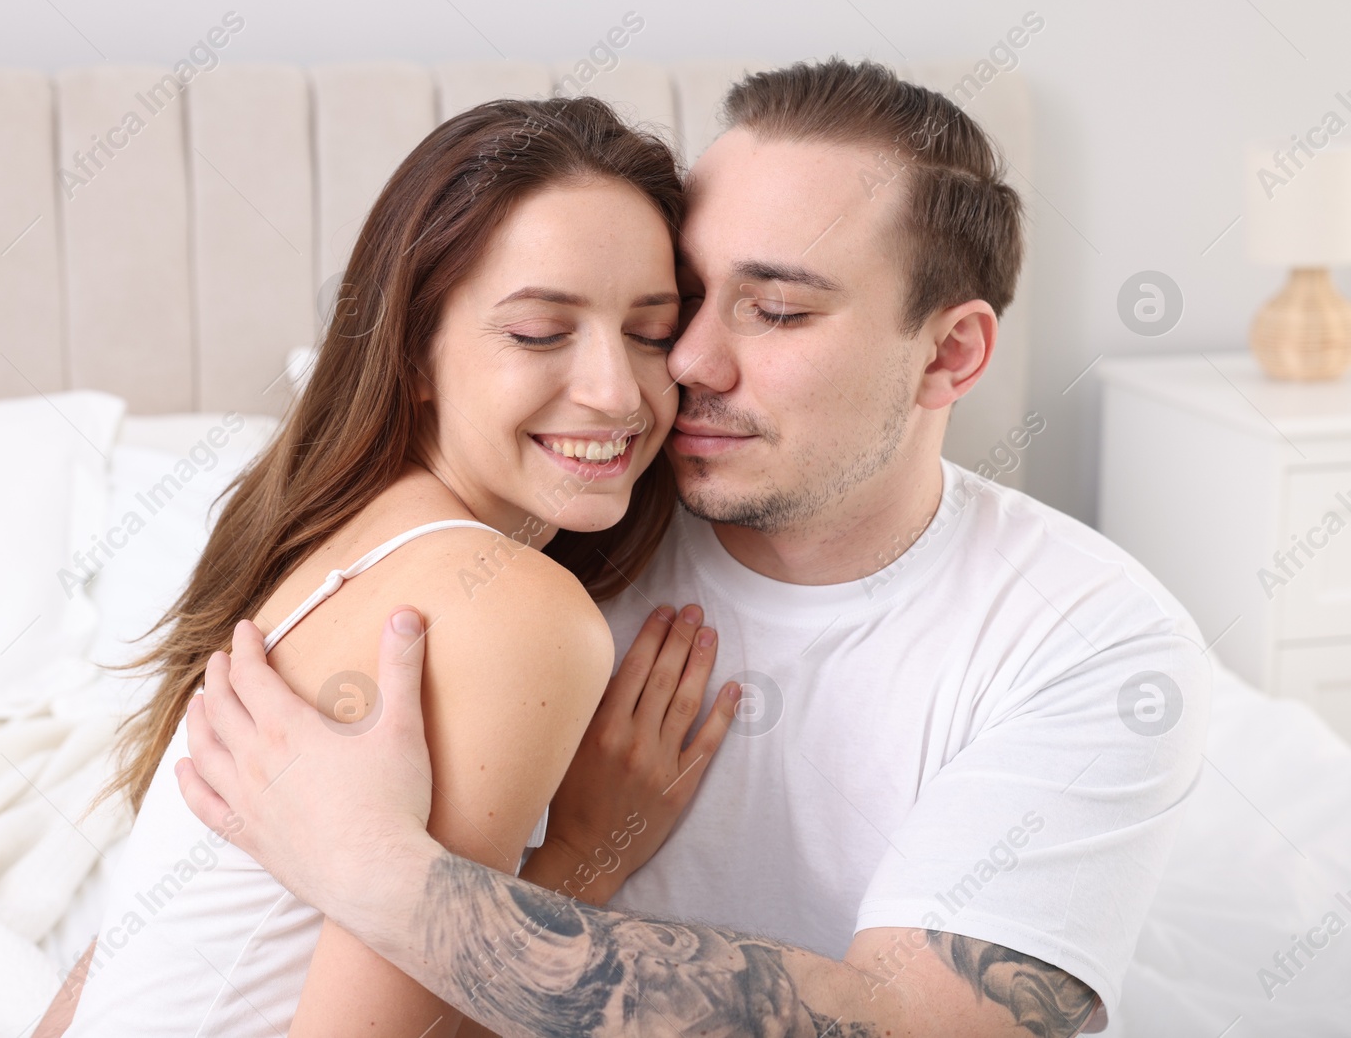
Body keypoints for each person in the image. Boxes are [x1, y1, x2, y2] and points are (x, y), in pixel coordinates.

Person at [174, 58, 1213, 1037]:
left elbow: (918, 1025)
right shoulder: (560, 509)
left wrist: (373, 869)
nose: (682, 362)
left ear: (948, 351)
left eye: (773, 310)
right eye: (678, 301)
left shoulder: (1088, 639)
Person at [38, 95, 746, 1037]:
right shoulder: (513, 613)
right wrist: (585, 849)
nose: (617, 392)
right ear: (412, 349)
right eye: (540, 332)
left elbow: (110, 972)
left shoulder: (322, 526)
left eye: (651, 333)